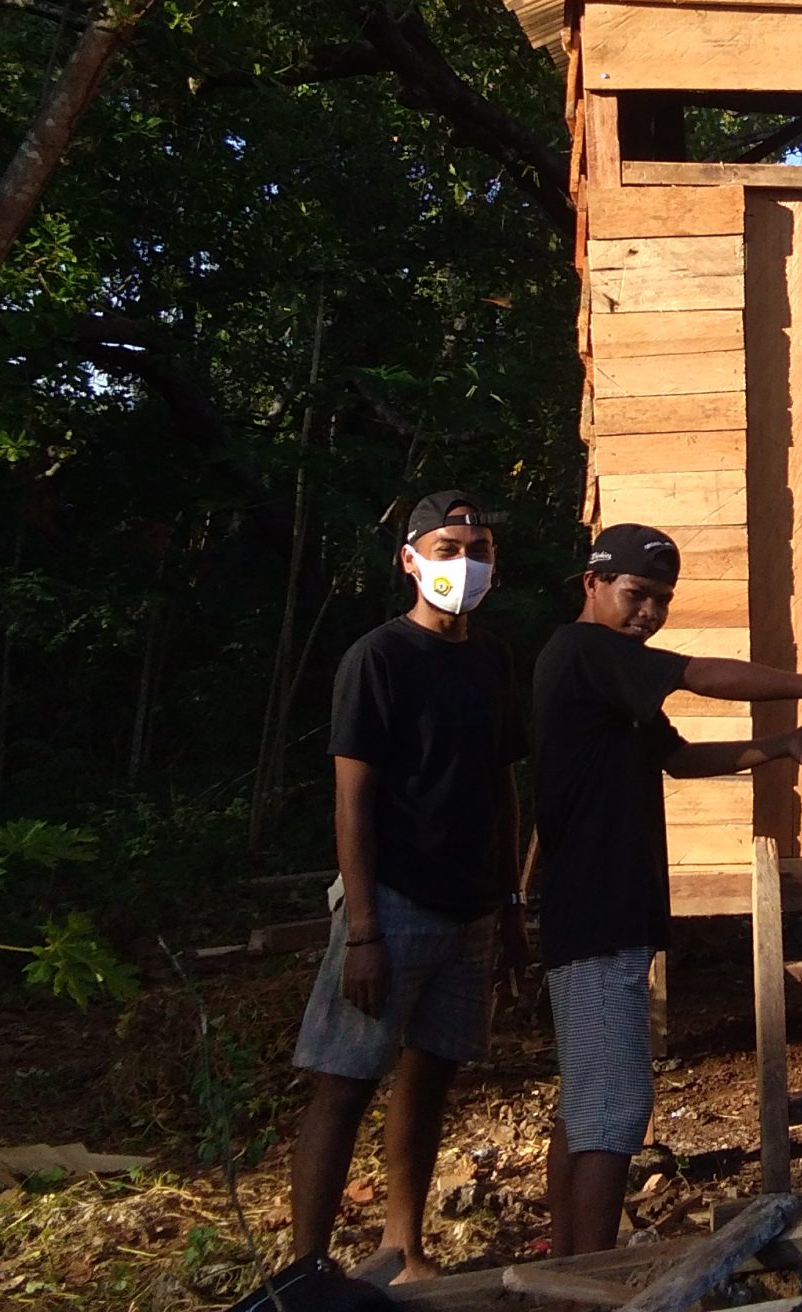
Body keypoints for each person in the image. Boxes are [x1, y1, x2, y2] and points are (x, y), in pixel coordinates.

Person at [532, 522, 802, 1256]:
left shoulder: (606, 677)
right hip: (598, 916)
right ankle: (588, 1287)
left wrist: (787, 747)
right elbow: (699, 674)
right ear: (591, 583)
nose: (649, 613)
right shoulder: (583, 650)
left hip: (599, 914)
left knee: (585, 1108)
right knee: (615, 1114)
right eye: (636, 595)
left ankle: (565, 1275)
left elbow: (682, 759)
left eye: (662, 600)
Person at [288, 489, 531, 1284]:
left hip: (472, 909)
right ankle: (309, 1271)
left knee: (431, 1076)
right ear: (411, 560)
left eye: (480, 548)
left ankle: (405, 1248)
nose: (466, 564)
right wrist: (363, 930)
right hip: (392, 903)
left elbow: (502, 782)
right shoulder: (377, 659)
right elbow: (352, 798)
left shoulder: (492, 659)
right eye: (450, 548)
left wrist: (513, 901)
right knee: (344, 1082)